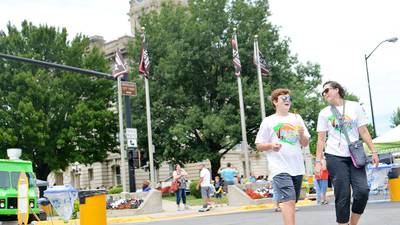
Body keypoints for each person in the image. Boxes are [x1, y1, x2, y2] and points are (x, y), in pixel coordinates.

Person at [315, 81, 379, 225]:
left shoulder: (354, 106)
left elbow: (363, 130)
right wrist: (318, 161)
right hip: (334, 156)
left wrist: (373, 151)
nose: (324, 94)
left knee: (362, 191)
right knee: (342, 195)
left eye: (327, 90)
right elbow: (321, 139)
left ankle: (353, 223)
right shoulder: (324, 113)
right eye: (323, 93)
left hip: (354, 155)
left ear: (337, 89)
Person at [255, 88, 310, 225]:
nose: (287, 101)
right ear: (275, 102)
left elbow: (305, 143)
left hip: (297, 168)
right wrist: (271, 146)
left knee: (292, 201)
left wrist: (302, 134)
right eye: (283, 98)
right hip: (279, 167)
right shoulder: (268, 121)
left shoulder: (297, 118)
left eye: (288, 98)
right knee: (288, 201)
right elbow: (259, 145)